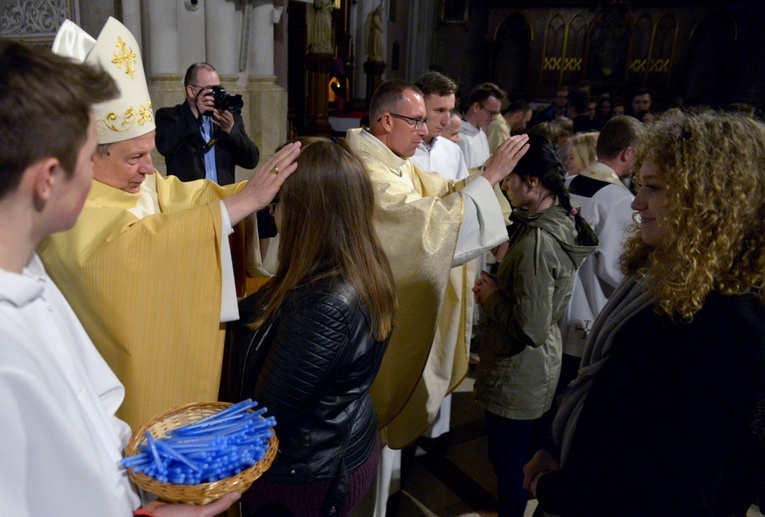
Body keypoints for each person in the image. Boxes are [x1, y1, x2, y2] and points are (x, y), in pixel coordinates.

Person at [0, 37, 239, 517]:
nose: (147, 173)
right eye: (90, 154)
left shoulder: (28, 275)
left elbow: (92, 415)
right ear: (48, 177)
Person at [38, 17, 301, 429]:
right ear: (88, 155)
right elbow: (126, 251)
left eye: (148, 153)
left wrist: (249, 193)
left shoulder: (134, 182)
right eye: (134, 157)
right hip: (114, 393)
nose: (149, 168)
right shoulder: (62, 206)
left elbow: (184, 195)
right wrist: (239, 205)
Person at [525, 109, 765, 515]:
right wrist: (554, 443)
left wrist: (556, 488)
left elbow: (674, 485)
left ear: (709, 200)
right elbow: (606, 390)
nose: (636, 202)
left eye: (653, 188)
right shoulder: (662, 273)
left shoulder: (731, 325)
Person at [224, 138, 396, 517]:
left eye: (279, 203)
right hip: (338, 442)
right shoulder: (357, 261)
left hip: (302, 474)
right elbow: (261, 307)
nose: (273, 213)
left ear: (306, 214)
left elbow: (266, 414)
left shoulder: (325, 305)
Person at [472, 134, 597, 517]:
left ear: (533, 182)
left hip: (517, 374)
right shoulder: (556, 217)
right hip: (536, 370)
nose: (505, 185)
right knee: (520, 459)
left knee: (510, 467)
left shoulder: (539, 242)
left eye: (510, 177)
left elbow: (531, 327)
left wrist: (493, 297)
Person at [559, 115, 642, 410]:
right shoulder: (621, 202)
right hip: (586, 317)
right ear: (628, 153)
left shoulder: (566, 185)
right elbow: (620, 272)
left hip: (554, 313)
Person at [155, 62, 260, 185]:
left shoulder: (227, 119)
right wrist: (194, 113)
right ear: (191, 91)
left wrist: (231, 131)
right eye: (210, 89)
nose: (215, 94)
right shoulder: (171, 116)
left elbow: (251, 161)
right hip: (189, 200)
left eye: (218, 89)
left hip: (222, 199)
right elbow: (165, 147)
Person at [411, 71, 469, 181]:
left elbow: (463, 194)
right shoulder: (399, 151)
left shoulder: (454, 151)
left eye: (450, 111)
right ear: (419, 107)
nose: (447, 122)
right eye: (440, 110)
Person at [458, 82, 507, 170]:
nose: (495, 118)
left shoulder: (482, 133)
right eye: (492, 113)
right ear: (476, 107)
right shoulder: (458, 135)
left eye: (496, 113)